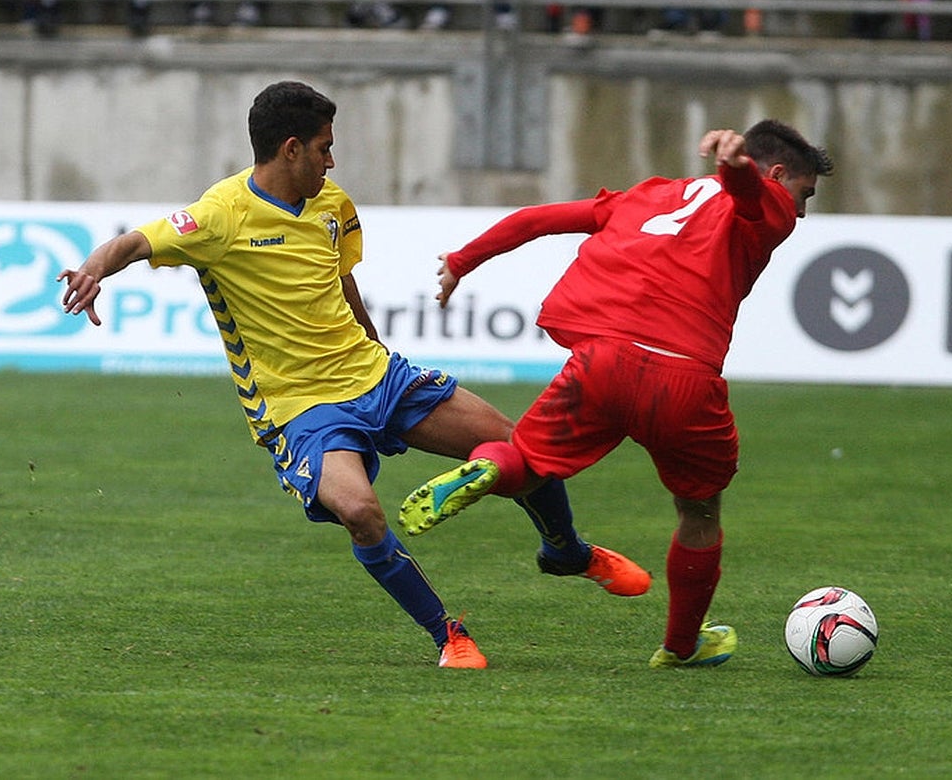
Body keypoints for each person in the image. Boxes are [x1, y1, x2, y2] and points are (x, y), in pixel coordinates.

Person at [57, 80, 649, 670]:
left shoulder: (332, 205)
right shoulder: (219, 215)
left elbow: (342, 283)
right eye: (323, 147)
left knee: (520, 449)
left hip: (374, 376)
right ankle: (449, 635)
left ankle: (566, 551)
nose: (331, 160)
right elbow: (135, 241)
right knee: (361, 512)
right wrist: (93, 269)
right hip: (299, 408)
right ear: (291, 149)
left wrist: (377, 349)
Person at [399, 120, 833, 668]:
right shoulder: (764, 200)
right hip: (683, 377)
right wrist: (737, 167)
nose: (800, 212)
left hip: (601, 360)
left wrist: (463, 260)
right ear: (777, 174)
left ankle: (488, 469)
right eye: (804, 194)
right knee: (699, 512)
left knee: (527, 464)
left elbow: (540, 219)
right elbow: (752, 199)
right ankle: (679, 647)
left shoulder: (648, 195)